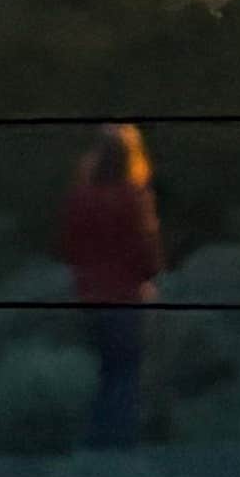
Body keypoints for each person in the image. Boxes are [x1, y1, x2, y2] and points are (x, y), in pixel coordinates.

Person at [57, 122, 163, 447]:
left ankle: (95, 442)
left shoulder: (80, 197)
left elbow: (67, 247)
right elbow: (146, 252)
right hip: (126, 299)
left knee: (103, 373)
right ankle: (119, 447)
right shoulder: (133, 197)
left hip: (87, 298)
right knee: (125, 374)